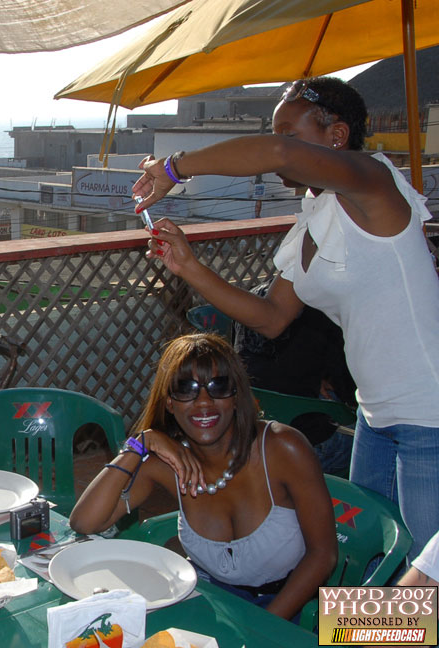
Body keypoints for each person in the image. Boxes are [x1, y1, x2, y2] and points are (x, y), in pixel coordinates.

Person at [133, 76, 439, 559]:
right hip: (375, 416)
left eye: (291, 134)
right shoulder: (316, 215)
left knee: (426, 577)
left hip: (429, 413)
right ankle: (351, 637)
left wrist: (174, 166)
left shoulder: (373, 181)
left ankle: (353, 636)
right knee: (371, 557)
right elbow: (272, 316)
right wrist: (188, 265)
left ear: (336, 137)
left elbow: (277, 154)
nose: (280, 146)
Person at [70, 333, 337, 620]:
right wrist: (139, 444)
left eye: (218, 386)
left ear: (236, 396)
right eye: (186, 389)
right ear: (169, 403)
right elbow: (84, 522)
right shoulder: (167, 466)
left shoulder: (282, 447)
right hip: (213, 603)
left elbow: (323, 554)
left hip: (293, 609)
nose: (204, 402)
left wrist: (264, 627)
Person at [232, 279, 357, 474]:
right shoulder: (323, 311)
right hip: (309, 444)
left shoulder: (249, 303)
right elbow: (350, 390)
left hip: (254, 438)